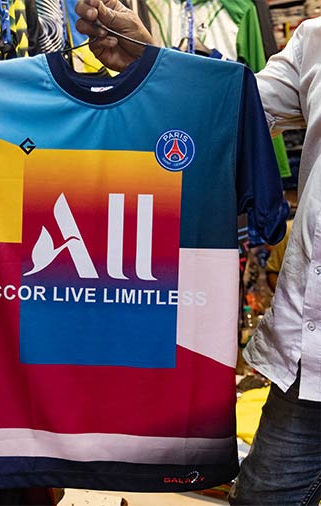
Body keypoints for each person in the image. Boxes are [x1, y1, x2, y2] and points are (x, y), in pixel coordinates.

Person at [73, 3, 321, 504]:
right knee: (263, 496)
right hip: (309, 354)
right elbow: (228, 107)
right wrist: (150, 61)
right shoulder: (316, 39)